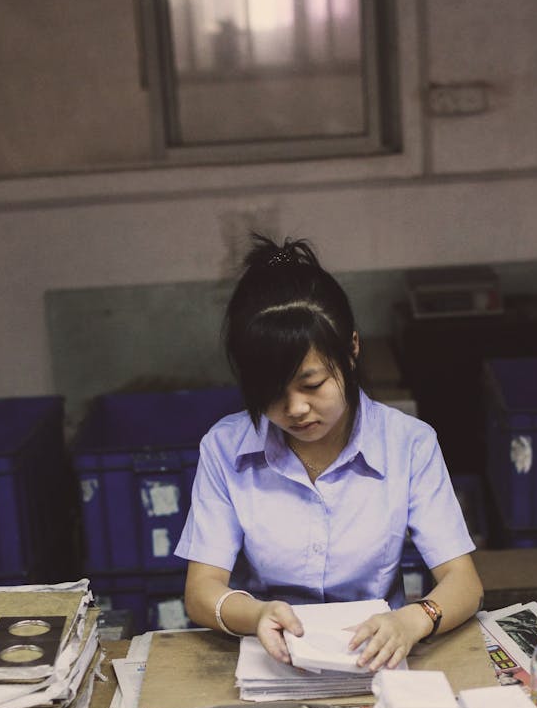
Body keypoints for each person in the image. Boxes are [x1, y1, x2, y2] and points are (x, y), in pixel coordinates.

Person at [175, 233, 483, 670]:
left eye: (312, 384)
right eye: (271, 391)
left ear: (352, 350)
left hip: (378, 659)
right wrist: (257, 614)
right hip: (272, 659)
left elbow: (463, 582)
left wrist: (412, 620)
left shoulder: (408, 444)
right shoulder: (225, 448)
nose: (296, 409)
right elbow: (202, 590)